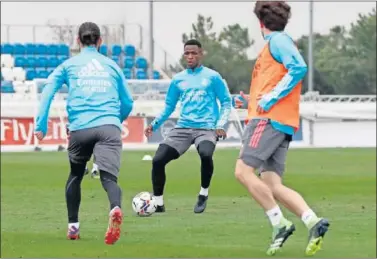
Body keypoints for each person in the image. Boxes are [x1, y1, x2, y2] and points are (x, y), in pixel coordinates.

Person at [233, 1, 330, 256]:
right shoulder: (277, 44)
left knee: (242, 172)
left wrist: (270, 98)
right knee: (272, 183)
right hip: (281, 122)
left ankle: (279, 223)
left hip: (267, 120)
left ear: (260, 23)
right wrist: (250, 101)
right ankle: (313, 221)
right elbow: (274, 81)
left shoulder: (277, 41)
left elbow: (298, 67)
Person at [34, 22, 134, 245]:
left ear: (78, 41)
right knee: (109, 178)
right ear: (100, 42)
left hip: (80, 129)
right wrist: (115, 120)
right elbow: (128, 102)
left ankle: (73, 227)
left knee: (76, 175)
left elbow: (47, 92)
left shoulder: (68, 65)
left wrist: (40, 126)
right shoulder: (112, 66)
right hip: (109, 127)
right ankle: (115, 208)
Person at [145, 39, 232, 214]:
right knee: (158, 160)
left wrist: (220, 125)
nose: (190, 56)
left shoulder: (213, 77)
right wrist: (154, 124)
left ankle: (203, 194)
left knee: (206, 154)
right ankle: (159, 203)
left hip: (206, 128)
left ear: (201, 54)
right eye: (187, 53)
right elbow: (169, 107)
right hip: (183, 128)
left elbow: (226, 102)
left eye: (194, 53)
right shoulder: (178, 80)